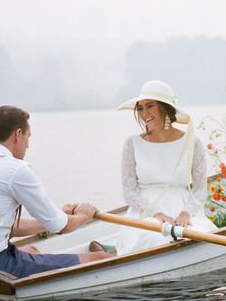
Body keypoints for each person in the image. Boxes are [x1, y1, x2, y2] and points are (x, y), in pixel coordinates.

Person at [0, 105, 112, 277]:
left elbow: (9, 226)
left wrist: (58, 215)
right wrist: (85, 215)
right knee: (101, 257)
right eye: (28, 137)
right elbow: (61, 227)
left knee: (32, 250)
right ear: (18, 134)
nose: (28, 144)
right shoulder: (15, 169)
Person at [91, 80, 216, 254]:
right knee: (154, 236)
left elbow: (201, 188)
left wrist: (186, 213)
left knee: (196, 234)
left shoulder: (193, 142)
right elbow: (129, 192)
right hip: (145, 212)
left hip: (183, 208)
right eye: (140, 108)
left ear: (165, 108)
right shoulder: (132, 144)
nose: (144, 113)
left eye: (150, 106)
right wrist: (156, 214)